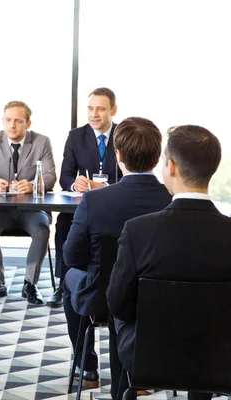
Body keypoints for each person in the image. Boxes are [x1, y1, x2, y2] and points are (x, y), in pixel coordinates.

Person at [107, 124, 231, 400]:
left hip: (148, 356)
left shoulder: (138, 231)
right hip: (221, 359)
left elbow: (118, 303)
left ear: (171, 167)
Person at [62, 117, 171, 391]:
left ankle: (87, 366)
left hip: (102, 298)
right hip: (157, 299)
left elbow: (72, 257)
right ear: (157, 156)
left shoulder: (95, 201)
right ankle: (140, 372)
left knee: (70, 279)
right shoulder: (171, 200)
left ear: (118, 155)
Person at [0, 100, 56, 303]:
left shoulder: (42, 141)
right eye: (8, 120)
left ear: (28, 123)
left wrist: (33, 184)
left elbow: (51, 176)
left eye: (18, 121)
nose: (12, 125)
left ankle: (30, 284)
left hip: (32, 210)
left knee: (42, 230)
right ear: (3, 121)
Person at [49, 88, 122, 308]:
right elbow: (65, 176)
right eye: (90, 108)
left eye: (100, 109)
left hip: (114, 206)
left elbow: (131, 173)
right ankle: (63, 283)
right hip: (83, 206)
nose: (94, 114)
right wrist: (75, 183)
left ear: (113, 110)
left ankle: (115, 283)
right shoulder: (75, 136)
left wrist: (105, 187)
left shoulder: (123, 134)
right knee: (63, 223)